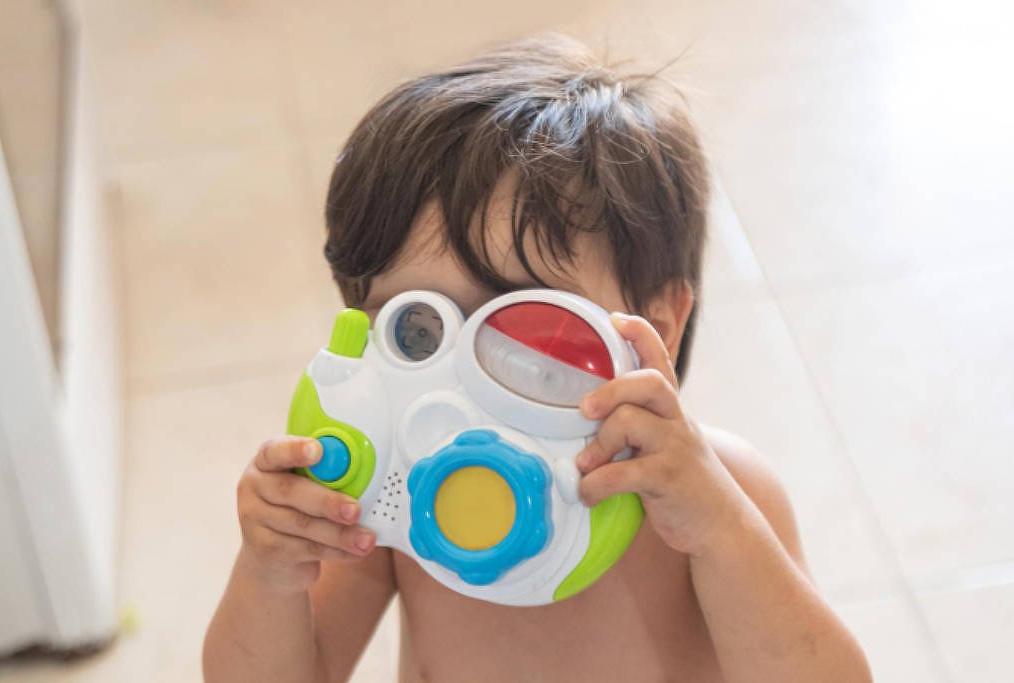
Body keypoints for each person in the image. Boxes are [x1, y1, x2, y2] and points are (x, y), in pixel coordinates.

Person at [203, 33, 872, 683]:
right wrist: (269, 573)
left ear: (658, 327)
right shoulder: (391, 495)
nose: (460, 386)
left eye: (524, 330)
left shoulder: (719, 492)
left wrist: (720, 530)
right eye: (418, 332)